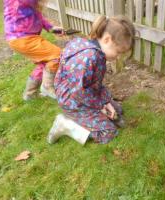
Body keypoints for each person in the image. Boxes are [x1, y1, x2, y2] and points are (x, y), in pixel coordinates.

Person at [47, 15, 136, 145]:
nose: (117, 57)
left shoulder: (93, 49)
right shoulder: (89, 57)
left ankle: (97, 116)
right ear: (107, 40)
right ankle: (65, 124)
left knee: (117, 110)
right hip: (72, 100)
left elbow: (94, 85)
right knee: (109, 132)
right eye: (118, 52)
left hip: (84, 95)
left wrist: (106, 102)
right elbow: (79, 92)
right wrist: (100, 106)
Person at [3, 0, 62, 100]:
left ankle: (30, 94)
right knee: (58, 55)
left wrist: (52, 28)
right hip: (22, 38)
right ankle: (47, 86)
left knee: (45, 62)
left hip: (24, 38)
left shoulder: (32, 6)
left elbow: (38, 17)